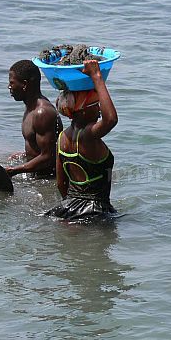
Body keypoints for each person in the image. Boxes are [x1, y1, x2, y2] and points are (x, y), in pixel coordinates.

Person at [45, 60, 117, 221]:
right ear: (82, 111)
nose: (99, 109)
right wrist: (97, 77)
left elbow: (60, 184)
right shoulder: (88, 136)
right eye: (95, 104)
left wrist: (71, 208)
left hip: (67, 208)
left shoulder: (62, 137)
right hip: (95, 212)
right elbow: (110, 119)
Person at [6, 60, 62, 178]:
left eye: (12, 83)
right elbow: (40, 148)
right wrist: (24, 155)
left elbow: (48, 157)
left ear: (24, 85)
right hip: (36, 176)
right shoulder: (30, 107)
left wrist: (14, 170)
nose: (9, 87)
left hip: (48, 179)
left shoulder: (42, 113)